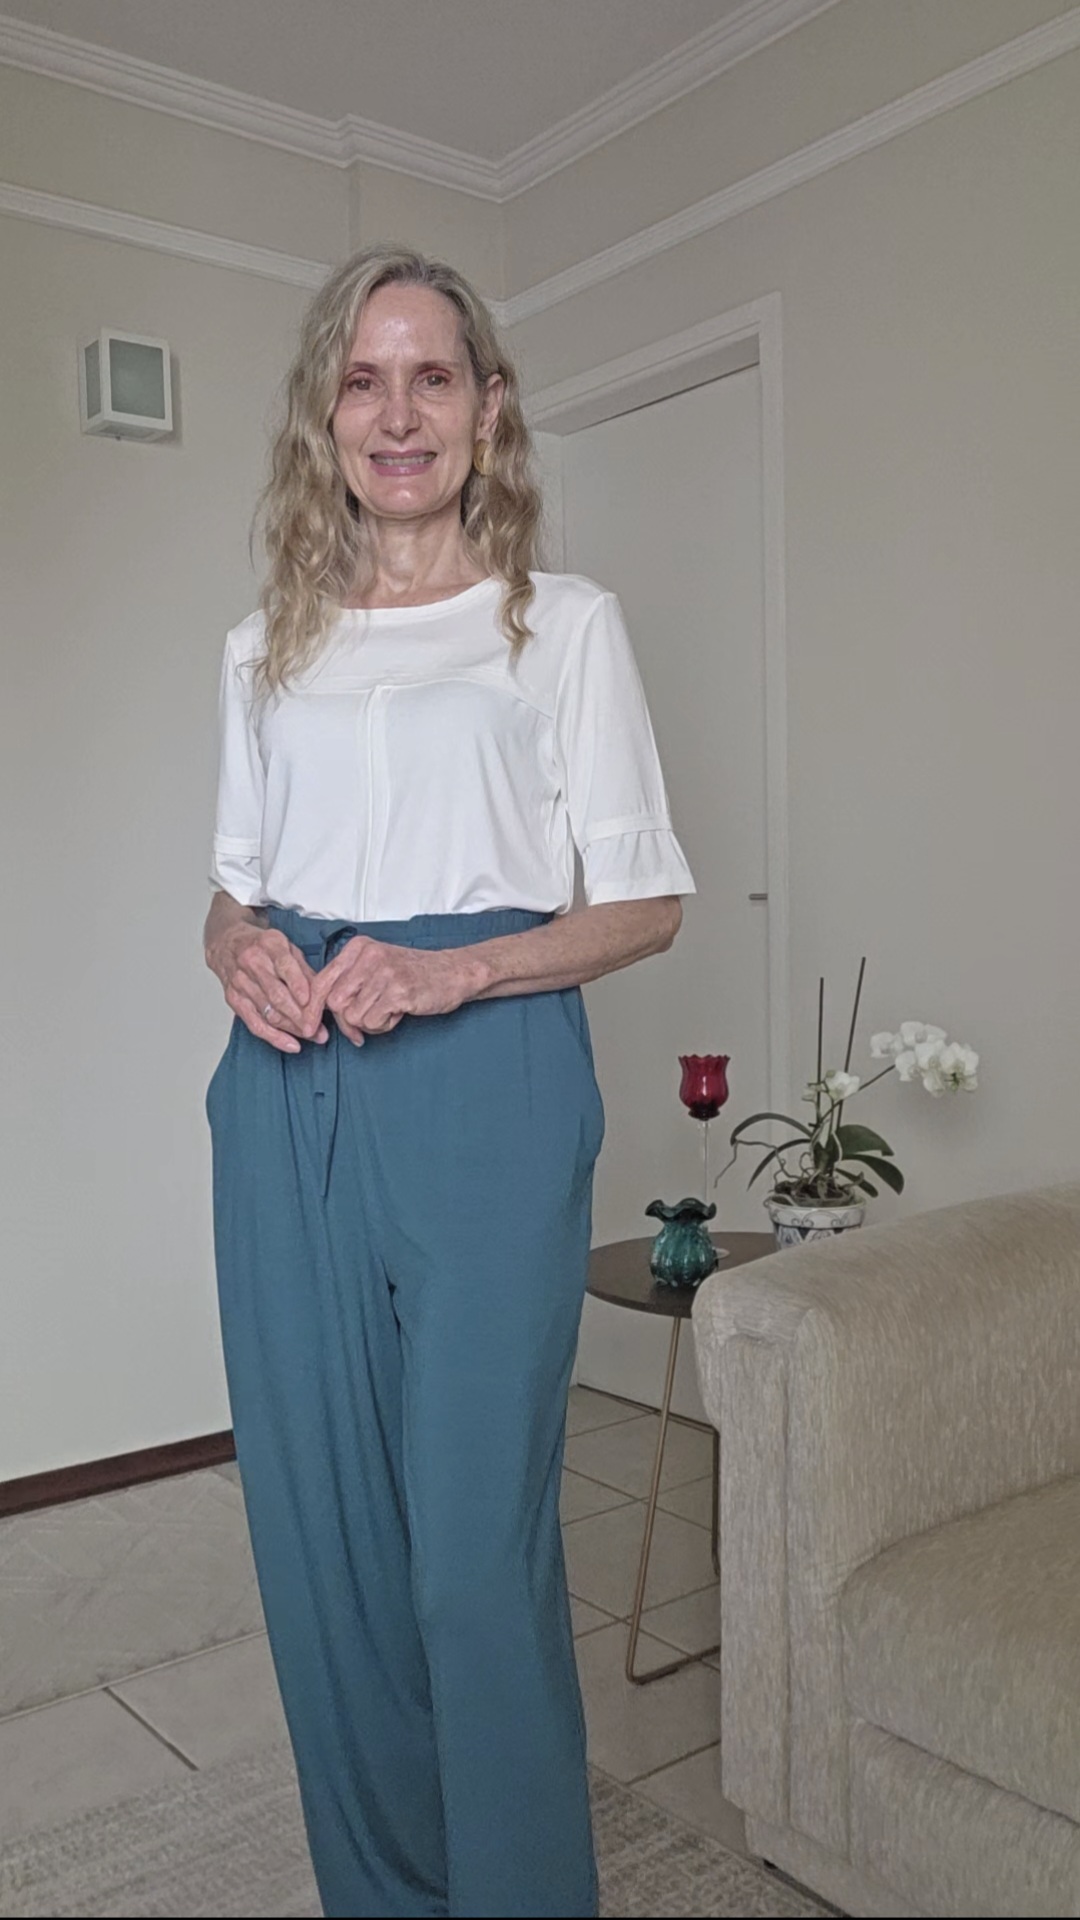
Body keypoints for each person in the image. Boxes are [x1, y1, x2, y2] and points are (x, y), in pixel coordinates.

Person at [203, 244, 696, 1920]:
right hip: (286, 1101)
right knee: (326, 1559)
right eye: (363, 379)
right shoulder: (262, 648)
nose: (397, 414)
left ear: (489, 410)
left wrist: (457, 968)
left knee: (471, 1569)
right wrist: (235, 948)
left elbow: (647, 904)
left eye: (432, 377)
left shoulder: (561, 628)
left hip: (486, 1085)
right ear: (323, 416)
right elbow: (231, 888)